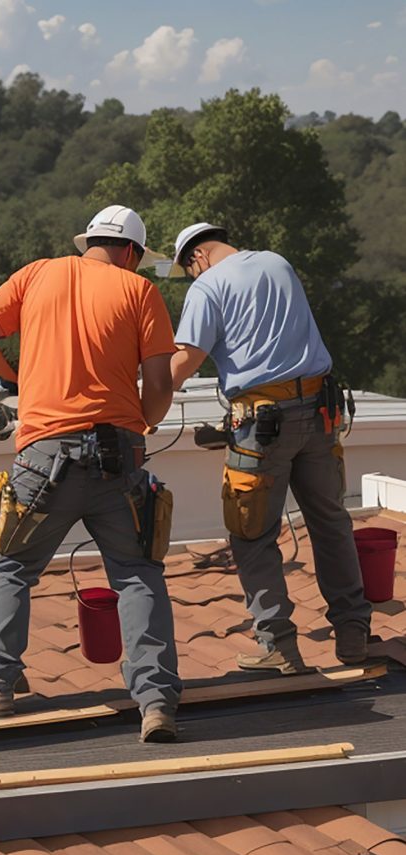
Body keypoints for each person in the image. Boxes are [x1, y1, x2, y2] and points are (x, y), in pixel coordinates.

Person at [0, 204, 182, 743]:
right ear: (130, 252)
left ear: (90, 243)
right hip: (118, 458)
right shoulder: (139, 292)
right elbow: (159, 382)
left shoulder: (37, 274)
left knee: (12, 569)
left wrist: (19, 379)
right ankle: (154, 703)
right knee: (136, 573)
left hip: (43, 457)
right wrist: (142, 426)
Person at [170, 223, 372, 673]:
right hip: (320, 414)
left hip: (262, 425)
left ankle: (278, 645)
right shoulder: (277, 263)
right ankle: (354, 634)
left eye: (189, 271)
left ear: (196, 257)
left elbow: (185, 359)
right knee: (330, 523)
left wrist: (143, 401)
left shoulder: (207, 286)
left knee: (252, 533)